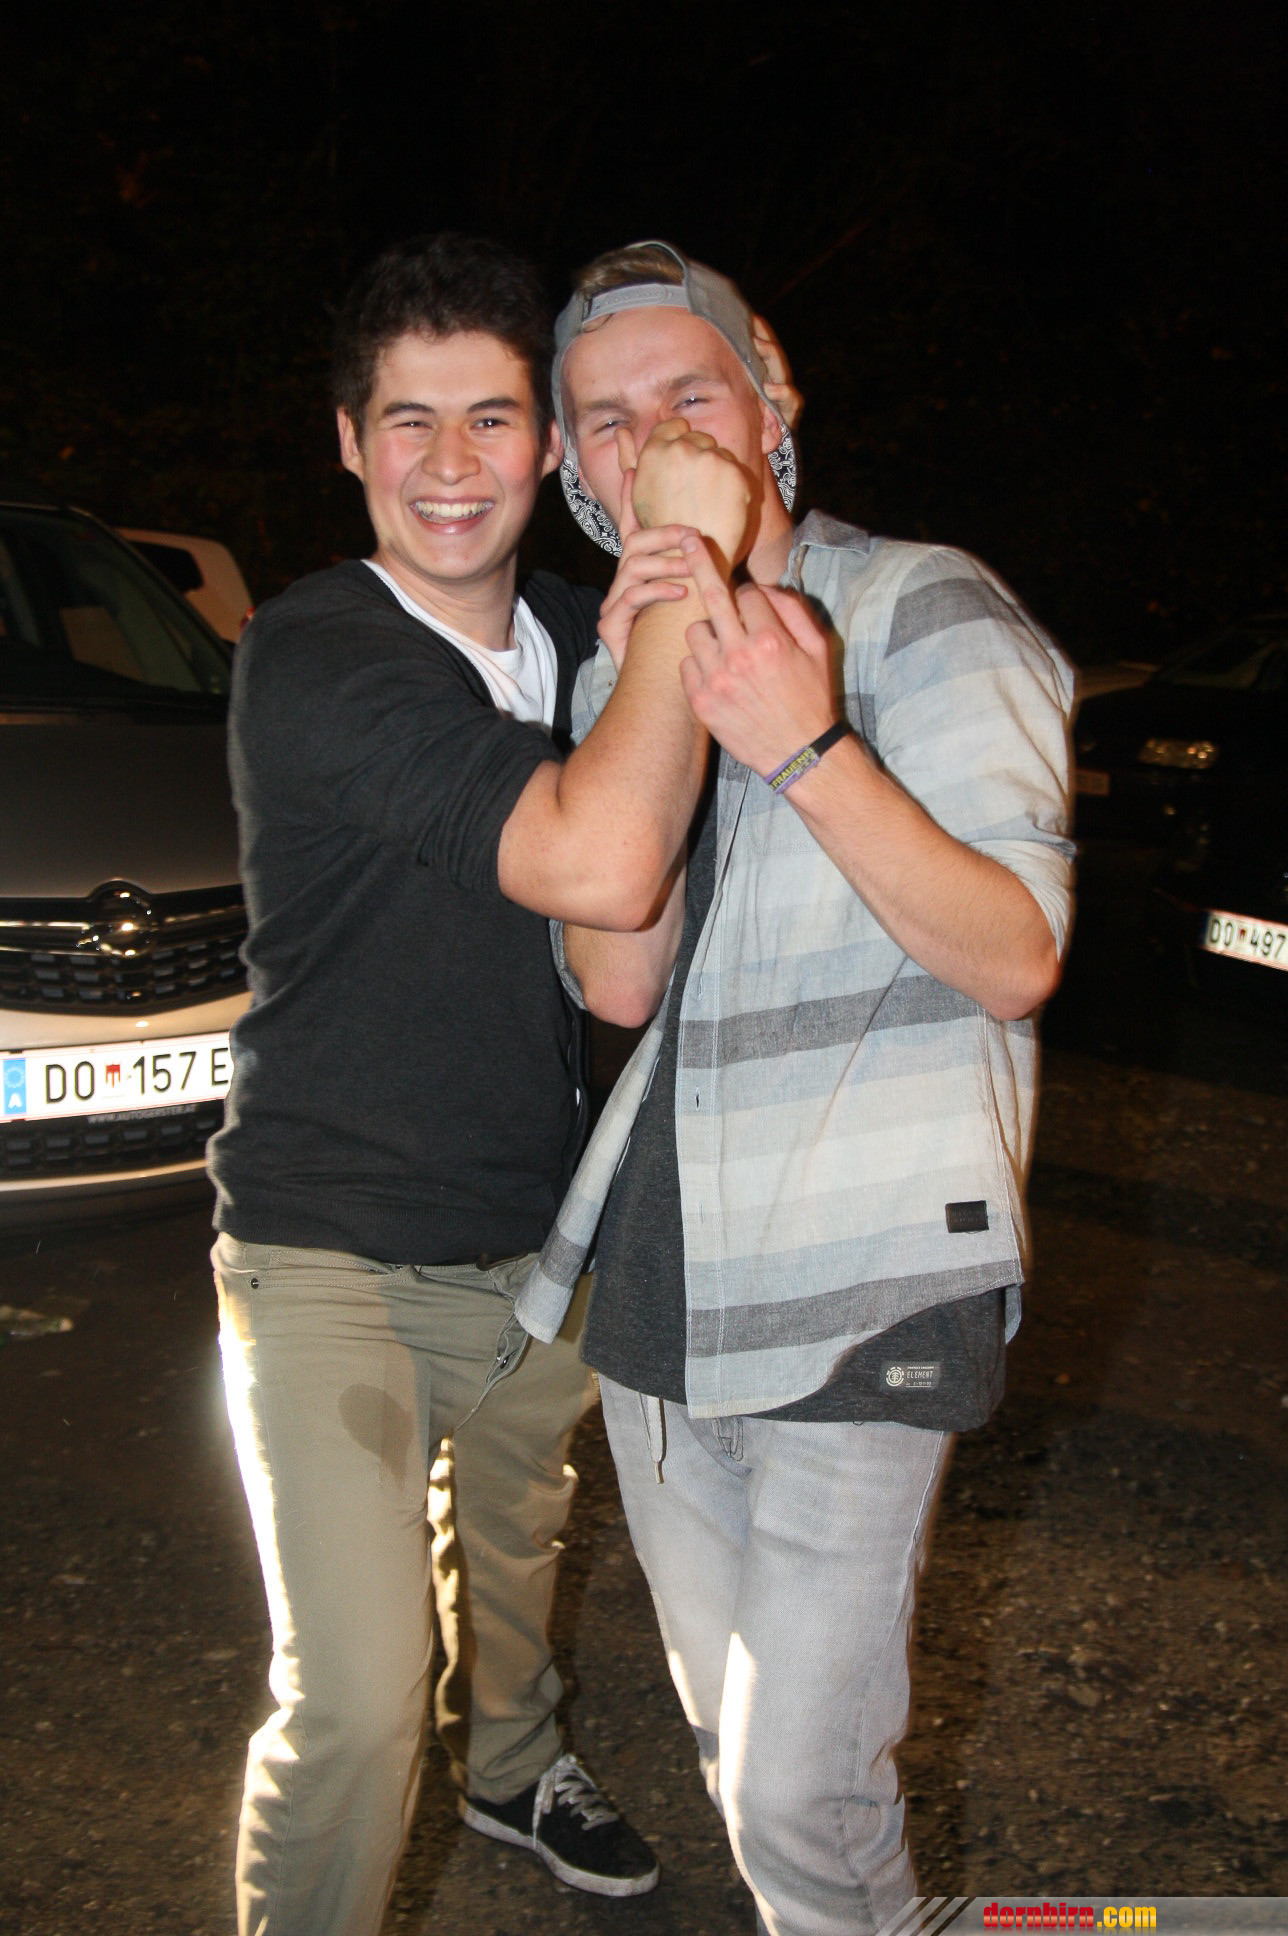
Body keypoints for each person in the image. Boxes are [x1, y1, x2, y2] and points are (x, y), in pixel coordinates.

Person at [517, 241, 1076, 1936]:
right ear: (578, 469)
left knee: (797, 1794)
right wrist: (647, 684)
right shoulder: (619, 658)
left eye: (690, 394)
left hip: (866, 1281)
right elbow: (617, 978)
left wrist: (808, 747)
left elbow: (1016, 953)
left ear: (771, 406)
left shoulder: (924, 604)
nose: (656, 440)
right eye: (607, 419)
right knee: (743, 1764)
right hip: (662, 1290)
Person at [207, 231, 755, 1936]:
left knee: (516, 1552)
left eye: (494, 419)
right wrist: (678, 590)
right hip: (332, 1246)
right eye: (410, 421)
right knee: (360, 1701)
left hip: (537, 1235)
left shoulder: (588, 636)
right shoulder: (320, 655)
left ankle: (515, 1767)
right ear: (350, 442)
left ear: (549, 444)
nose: (452, 465)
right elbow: (598, 860)